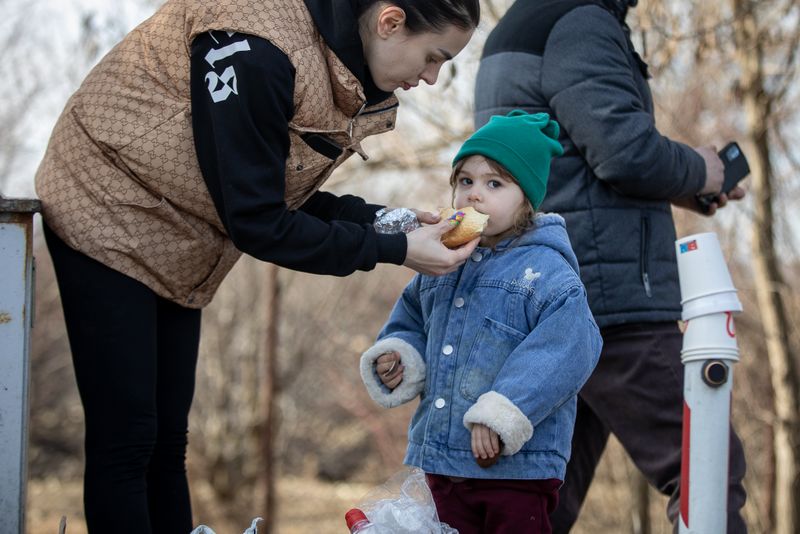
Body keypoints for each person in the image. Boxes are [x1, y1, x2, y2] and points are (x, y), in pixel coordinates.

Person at [34, 0, 481, 532]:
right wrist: (397, 250)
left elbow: (277, 192)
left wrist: (393, 223)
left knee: (166, 440)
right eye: (434, 57)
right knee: (128, 437)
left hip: (180, 227)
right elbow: (259, 221)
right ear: (390, 21)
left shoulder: (331, 61)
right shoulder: (255, 49)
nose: (432, 78)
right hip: (106, 202)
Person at [474, 1, 748, 532]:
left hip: (553, 295)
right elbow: (623, 152)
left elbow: (563, 160)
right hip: (610, 301)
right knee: (704, 464)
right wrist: (701, 168)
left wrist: (688, 184)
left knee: (540, 494)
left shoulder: (530, 19)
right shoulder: (579, 21)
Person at [359, 110, 603, 534]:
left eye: (494, 184)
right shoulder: (442, 260)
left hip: (516, 472)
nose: (474, 195)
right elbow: (412, 317)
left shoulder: (546, 271)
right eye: (465, 181)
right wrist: (400, 354)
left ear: (526, 199)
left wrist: (503, 410)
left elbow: (569, 347)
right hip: (442, 462)